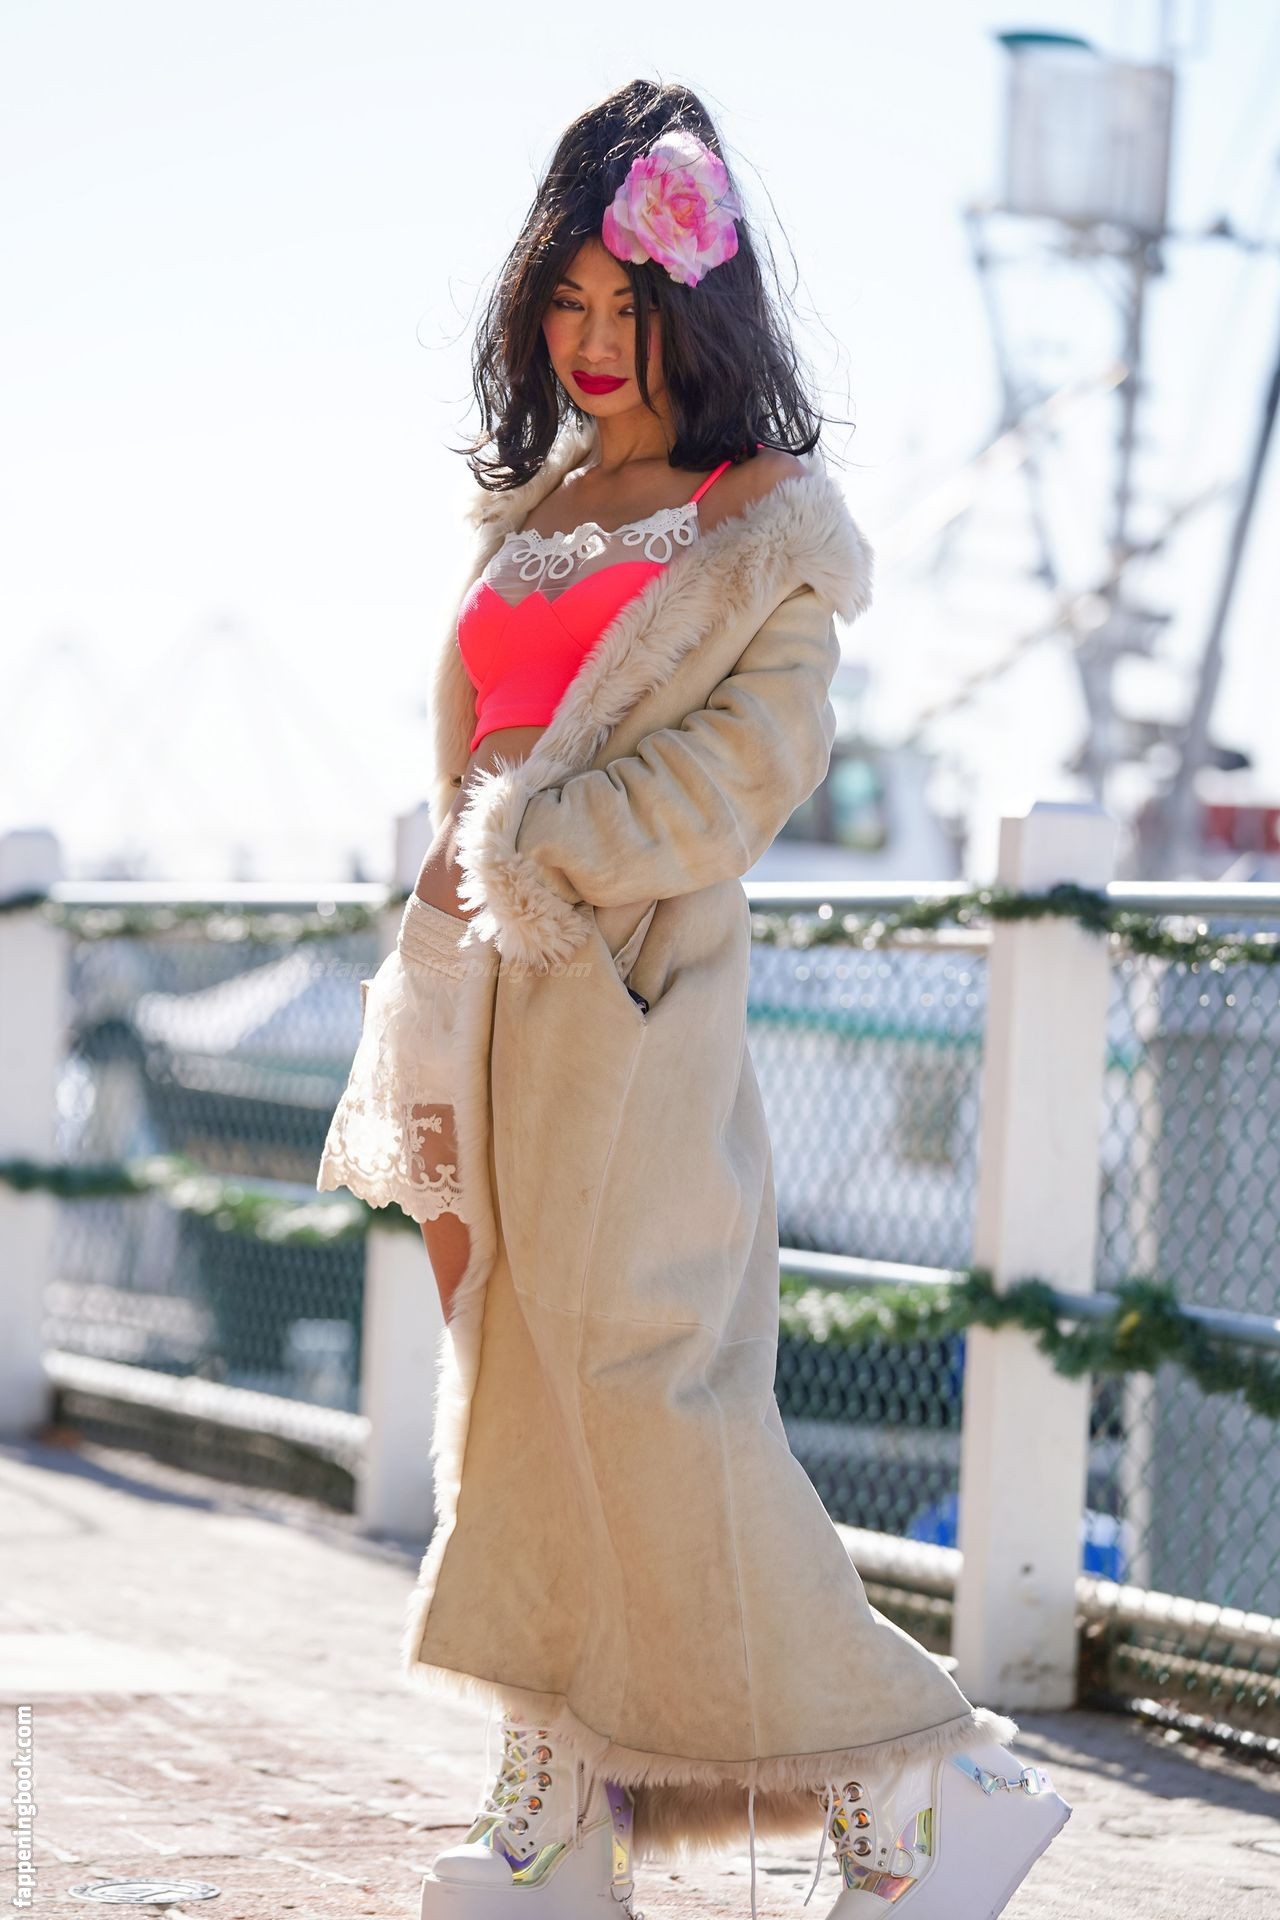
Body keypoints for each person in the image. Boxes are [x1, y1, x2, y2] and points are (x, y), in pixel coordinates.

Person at [317, 77, 1072, 1920]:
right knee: (518, 1400)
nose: (592, 343)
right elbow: (476, 754)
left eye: (628, 305)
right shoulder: (536, 505)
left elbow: (744, 777)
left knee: (654, 1398)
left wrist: (538, 844)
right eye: (563, 304)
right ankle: (565, 1813)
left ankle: (923, 1778)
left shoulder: (766, 529)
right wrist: (459, 909)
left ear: (700, 299)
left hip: (630, 1014)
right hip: (472, 1005)